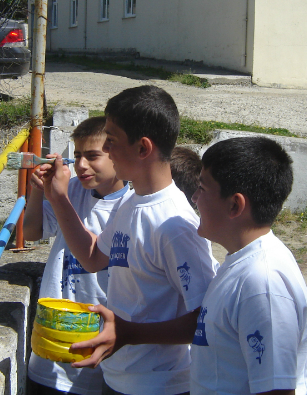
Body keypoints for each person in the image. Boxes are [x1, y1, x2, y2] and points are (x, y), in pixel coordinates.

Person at [71, 136, 307, 395]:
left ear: (235, 205)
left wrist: (130, 332)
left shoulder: (263, 283)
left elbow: (276, 390)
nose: (195, 199)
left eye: (202, 189)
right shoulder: (239, 265)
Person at [37, 85, 218, 395]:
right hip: (118, 377)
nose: (106, 150)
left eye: (112, 141)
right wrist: (58, 199)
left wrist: (128, 333)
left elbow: (206, 318)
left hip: (158, 386)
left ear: (143, 148)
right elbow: (93, 257)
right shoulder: (132, 203)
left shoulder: (176, 225)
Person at [24, 116, 131, 395]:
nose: (82, 165)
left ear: (118, 155)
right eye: (78, 155)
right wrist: (39, 191)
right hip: (51, 346)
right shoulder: (70, 190)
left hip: (99, 350)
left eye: (93, 156)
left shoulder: (132, 206)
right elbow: (32, 232)